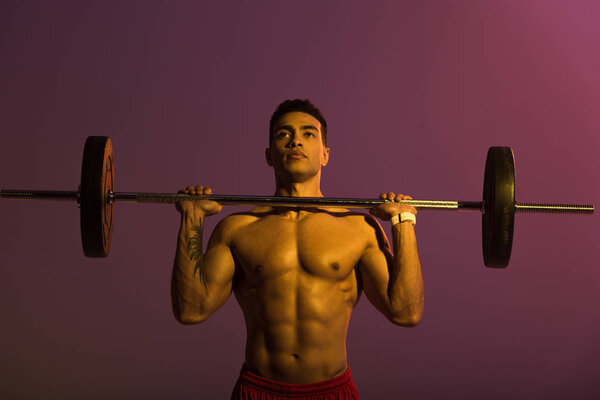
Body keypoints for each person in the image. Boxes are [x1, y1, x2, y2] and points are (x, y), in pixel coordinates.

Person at [172, 99, 424, 399]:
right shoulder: (236, 229)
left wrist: (403, 221)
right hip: (259, 390)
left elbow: (406, 313)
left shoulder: (360, 230)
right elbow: (191, 310)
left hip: (333, 391)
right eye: (283, 134)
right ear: (269, 155)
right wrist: (192, 219)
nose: (295, 140)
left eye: (309, 133)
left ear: (325, 154)